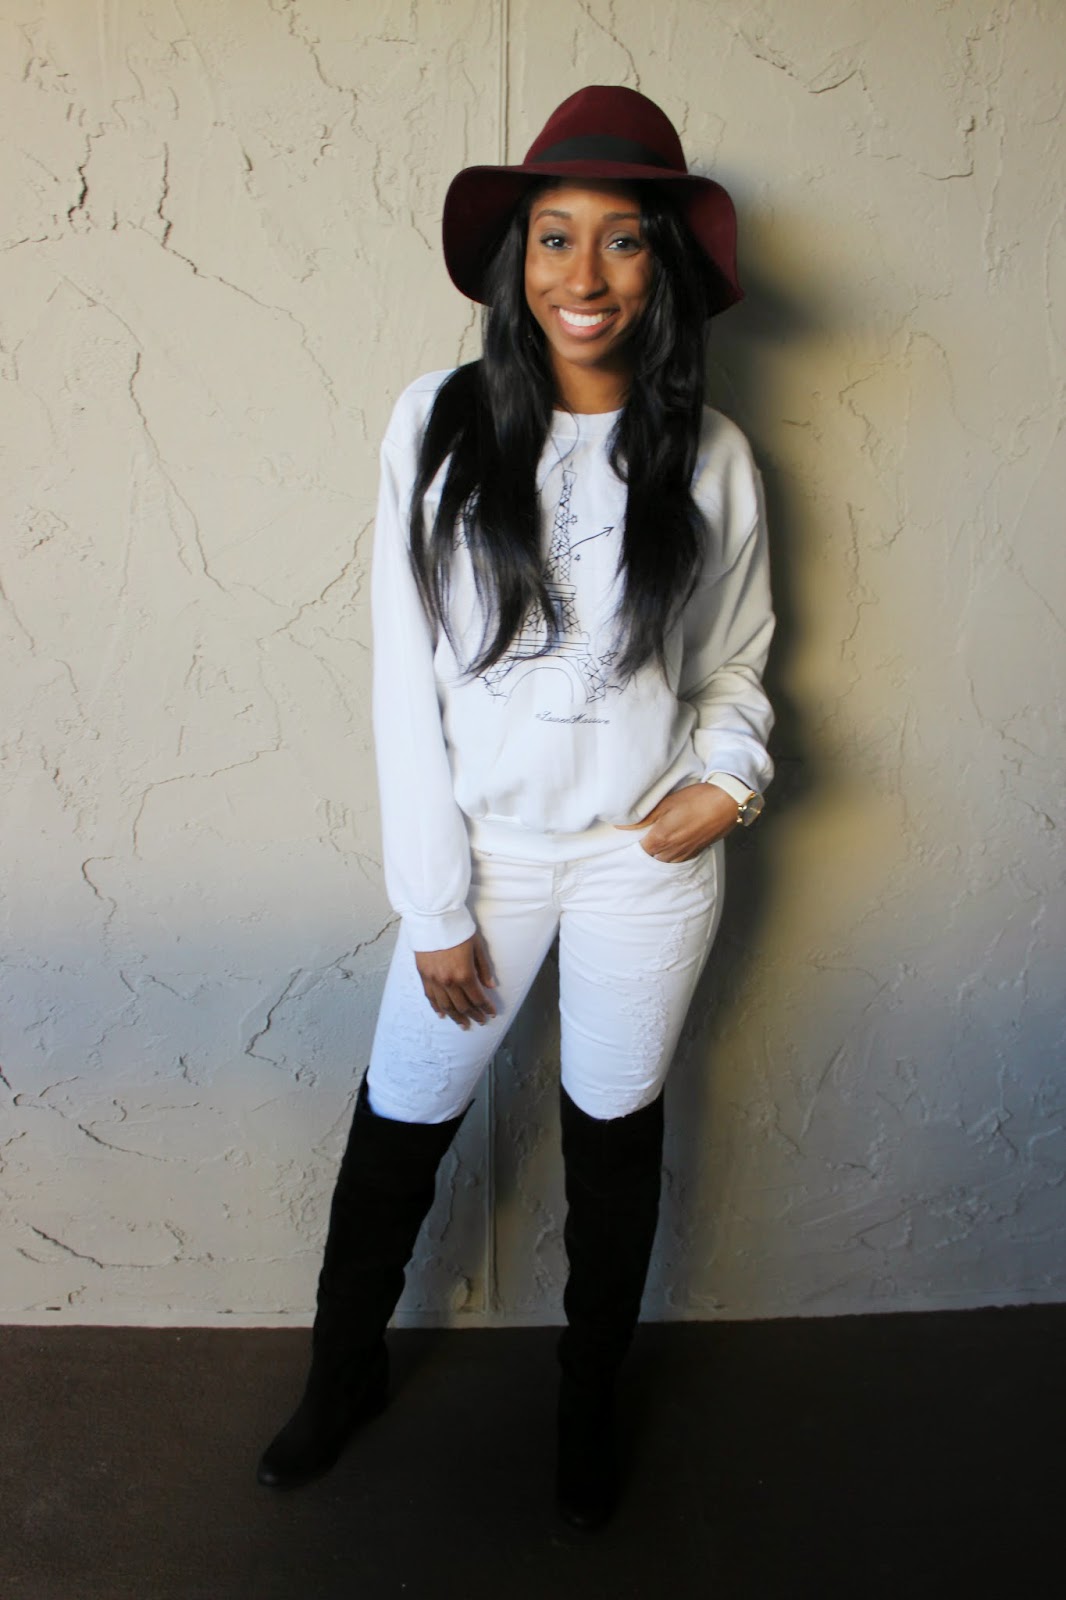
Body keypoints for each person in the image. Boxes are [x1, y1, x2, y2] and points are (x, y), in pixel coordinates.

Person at [257, 84, 774, 1530]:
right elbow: (400, 677)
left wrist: (727, 783)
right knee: (400, 1124)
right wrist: (435, 903)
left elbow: (733, 665)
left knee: (613, 1142)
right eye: (555, 237)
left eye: (622, 239)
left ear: (662, 266)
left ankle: (587, 1404)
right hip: (483, 858)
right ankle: (342, 1374)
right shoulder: (432, 424)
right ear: (517, 259)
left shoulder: (713, 455)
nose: (583, 273)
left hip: (640, 863)